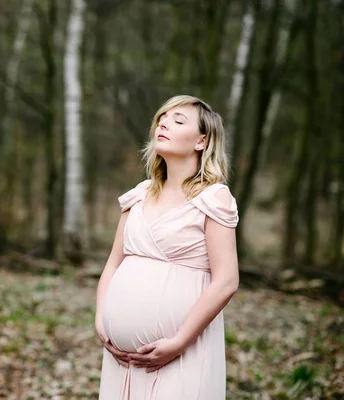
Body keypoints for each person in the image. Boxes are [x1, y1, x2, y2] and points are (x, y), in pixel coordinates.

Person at [95, 95, 239, 399]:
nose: (163, 123)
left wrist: (179, 342)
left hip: (181, 354)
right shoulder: (139, 194)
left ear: (201, 141)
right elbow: (112, 264)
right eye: (162, 117)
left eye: (178, 120)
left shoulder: (213, 198)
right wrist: (101, 321)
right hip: (121, 359)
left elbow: (226, 280)